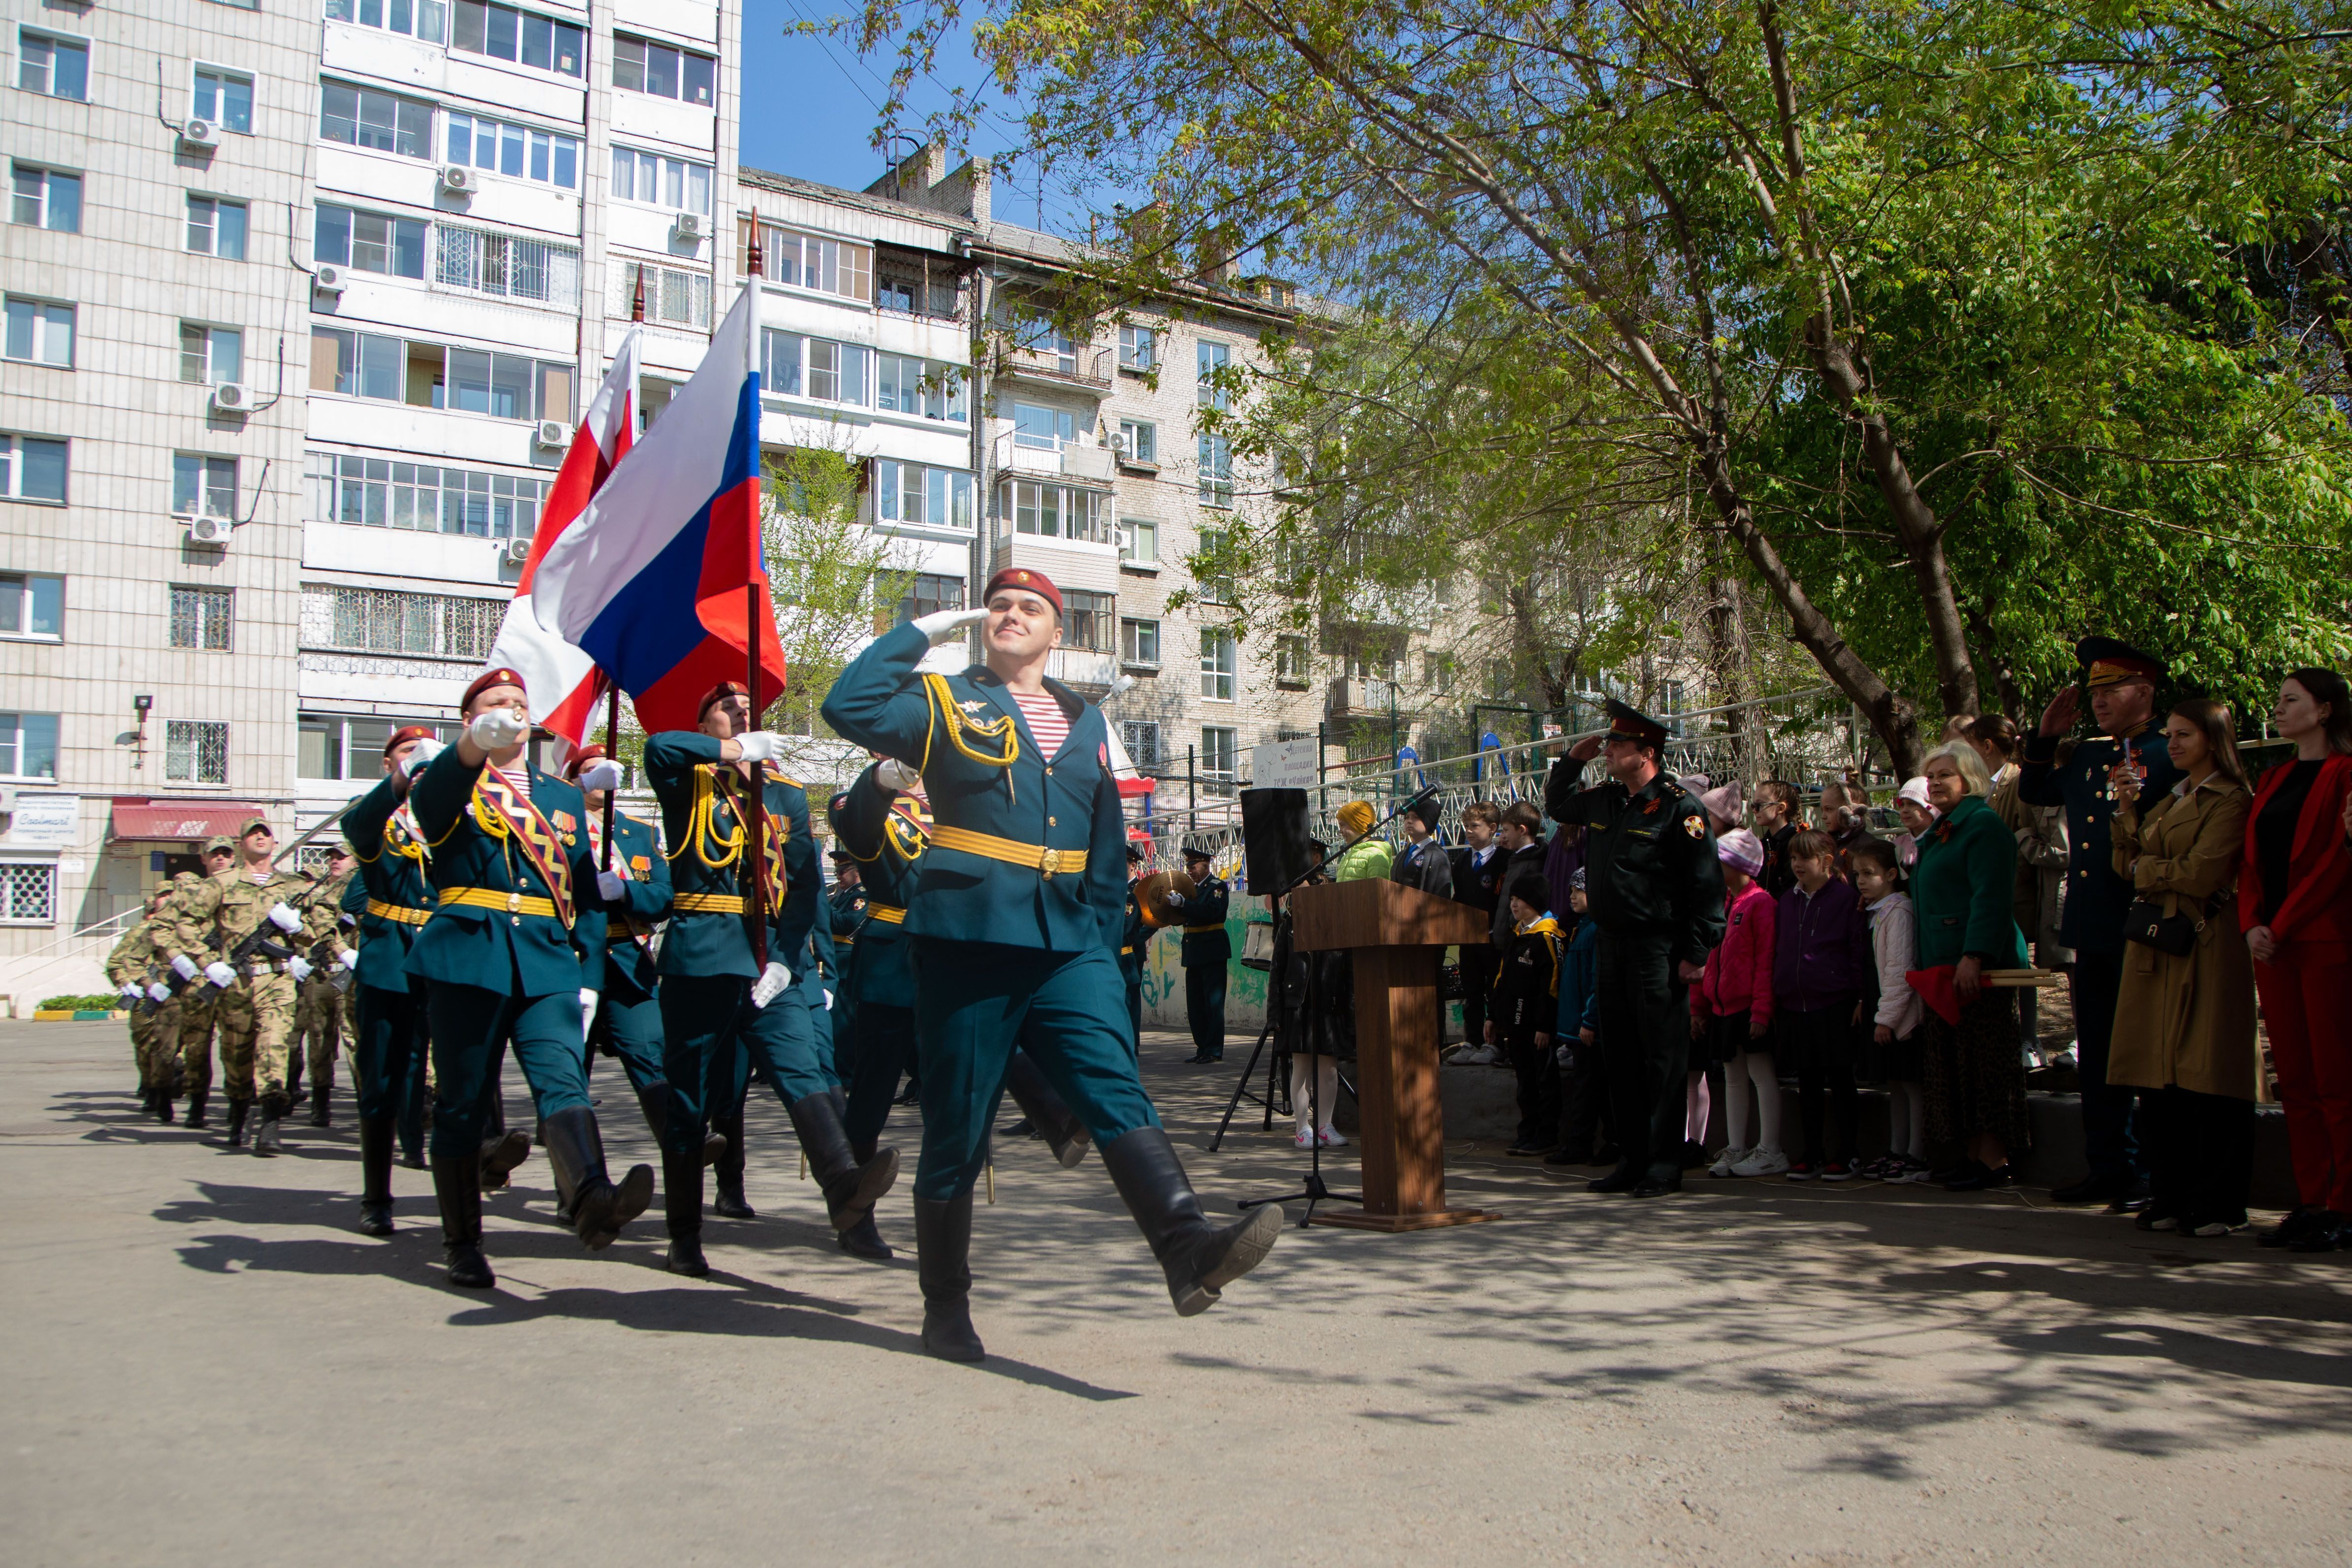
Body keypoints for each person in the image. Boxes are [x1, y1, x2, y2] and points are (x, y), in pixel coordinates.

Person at [822, 567, 1282, 1361]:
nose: (1009, 614)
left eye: (1029, 607)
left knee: (1112, 1084)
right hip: (969, 934)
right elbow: (848, 705)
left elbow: (1106, 837)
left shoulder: (1085, 718)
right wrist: (923, 633)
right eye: (998, 604)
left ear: (1055, 633)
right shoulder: (942, 700)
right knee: (958, 1127)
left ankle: (1187, 1248)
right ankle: (945, 1305)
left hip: (1070, 941)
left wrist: (1105, 938)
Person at [406, 669, 656, 1286]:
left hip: (546, 958)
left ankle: (591, 1198)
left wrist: (589, 972)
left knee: (563, 1081)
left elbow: (584, 896)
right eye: (495, 704)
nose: (511, 711)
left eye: (519, 704)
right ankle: (462, 1240)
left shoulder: (561, 797)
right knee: (464, 1103)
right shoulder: (453, 781)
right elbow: (429, 804)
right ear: (471, 719)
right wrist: (468, 750)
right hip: (468, 955)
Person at [644, 682, 892, 1279]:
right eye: (725, 707)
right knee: (689, 1097)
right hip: (703, 954)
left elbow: (805, 885)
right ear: (703, 722)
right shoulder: (688, 780)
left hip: (769, 961)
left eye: (746, 708)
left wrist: (785, 957)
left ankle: (844, 1191)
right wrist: (729, 754)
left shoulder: (781, 792)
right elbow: (658, 749)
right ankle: (684, 1234)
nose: (739, 712)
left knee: (802, 1071)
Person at [2021, 637, 2182, 1207]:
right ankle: (2107, 1164)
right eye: (2093, 693)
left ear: (2143, 691)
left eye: (2110, 690)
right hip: (2092, 927)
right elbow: (2036, 790)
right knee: (2099, 1053)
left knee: (2147, 1055)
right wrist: (2045, 735)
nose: (2098, 702)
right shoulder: (2089, 755)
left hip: (2144, 924)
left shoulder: (2168, 754)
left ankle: (2151, 1172)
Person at [1546, 701, 1727, 1198]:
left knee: (1661, 1059)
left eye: (1616, 744)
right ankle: (1631, 1159)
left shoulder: (1678, 809)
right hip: (1611, 944)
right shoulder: (1605, 800)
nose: (1607, 750)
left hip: (1657, 947)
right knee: (1619, 1055)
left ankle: (1664, 1164)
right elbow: (1558, 806)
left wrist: (1697, 949)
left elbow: (1705, 885)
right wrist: (1571, 761)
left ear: (1646, 752)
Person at [2107, 698, 2257, 1236]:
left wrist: (2150, 869)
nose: (2171, 745)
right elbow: (2126, 863)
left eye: (2183, 736)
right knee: (2158, 1074)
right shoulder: (2171, 798)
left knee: (2207, 1073)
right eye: (2169, 735)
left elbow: (2201, 873)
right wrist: (2125, 811)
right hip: (2157, 943)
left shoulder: (2230, 799)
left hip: (2205, 942)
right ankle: (2171, 1192)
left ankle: (2218, 1201)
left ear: (2213, 739)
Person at [2242, 671, 2352, 1251]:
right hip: (2272, 944)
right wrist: (2252, 923)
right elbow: (2252, 860)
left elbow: (2335, 862)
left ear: (2325, 710)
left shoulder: (2345, 773)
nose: (2278, 710)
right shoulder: (2273, 777)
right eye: (2279, 700)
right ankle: (2311, 1200)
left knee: (2336, 1079)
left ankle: (2344, 1204)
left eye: (2290, 701)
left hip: (2324, 940)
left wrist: (2277, 925)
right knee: (2297, 1081)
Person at [161, 816, 335, 1156]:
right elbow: (186, 923)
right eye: (252, 833)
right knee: (237, 1056)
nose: (260, 837)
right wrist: (206, 962)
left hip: (277, 979)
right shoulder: (221, 884)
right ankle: (239, 1113)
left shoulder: (293, 886)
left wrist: (298, 928)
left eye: (265, 833)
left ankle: (270, 1124)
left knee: (274, 1047)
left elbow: (324, 930)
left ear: (273, 842)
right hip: (236, 983)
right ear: (241, 844)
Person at [565, 743, 696, 1160]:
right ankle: (577, 1182)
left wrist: (626, 890)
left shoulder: (637, 831)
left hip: (627, 957)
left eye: (611, 769)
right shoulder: (558, 824)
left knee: (650, 1053)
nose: (605, 777)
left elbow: (664, 894)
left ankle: (681, 1147)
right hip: (571, 958)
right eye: (592, 770)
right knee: (568, 1069)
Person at [1914, 741, 2032, 1192]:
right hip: (1941, 968)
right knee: (1955, 1066)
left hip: (1978, 968)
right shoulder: (1944, 827)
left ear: (1971, 778)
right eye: (1932, 775)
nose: (1936, 782)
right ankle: (1970, 1155)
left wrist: (1974, 953)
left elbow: (1991, 897)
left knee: (1985, 1065)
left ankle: (1993, 1160)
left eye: (1946, 774)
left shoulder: (1983, 826)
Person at [340, 726, 440, 1237]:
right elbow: (358, 828)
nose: (420, 758)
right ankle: (376, 1195)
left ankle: (466, 1176)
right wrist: (404, 779)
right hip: (390, 951)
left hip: (446, 949)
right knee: (381, 1077)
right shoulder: (377, 810)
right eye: (406, 752)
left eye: (426, 751)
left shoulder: (448, 806)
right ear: (387, 765)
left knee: (462, 1071)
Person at [1772, 829, 1870, 1180]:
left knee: (1840, 1079)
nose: (1797, 864)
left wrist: (1860, 995)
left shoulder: (1846, 899)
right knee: (1808, 1082)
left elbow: (1856, 950)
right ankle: (1811, 1151)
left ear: (1826, 862)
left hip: (1834, 1002)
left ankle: (1846, 1153)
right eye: (1793, 857)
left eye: (1804, 858)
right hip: (1796, 1004)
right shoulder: (1787, 900)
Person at [1980, 713, 2073, 1066]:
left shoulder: (2017, 782)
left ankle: (2029, 1040)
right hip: (1993, 893)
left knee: (2022, 968)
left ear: (1986, 746)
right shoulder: (1983, 785)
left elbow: (2027, 832)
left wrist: (2014, 872)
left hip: (2017, 892)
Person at [1694, 829, 1783, 1178]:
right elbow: (1710, 957)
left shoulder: (1760, 904)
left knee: (1761, 1075)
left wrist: (1762, 1009)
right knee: (1733, 1077)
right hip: (1722, 1006)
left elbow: (1765, 960)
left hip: (1749, 1006)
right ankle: (1736, 1146)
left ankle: (1771, 1147)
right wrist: (1699, 1007)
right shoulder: (1724, 904)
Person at [1851, 837, 1927, 1182]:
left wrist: (1887, 1018)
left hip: (1903, 1018)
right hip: (1882, 1012)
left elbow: (1899, 970)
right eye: (1857, 874)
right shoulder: (1874, 914)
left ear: (1892, 874)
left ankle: (1917, 1154)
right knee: (1895, 1084)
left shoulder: (1899, 912)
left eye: (1869, 873)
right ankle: (1897, 1150)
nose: (1861, 881)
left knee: (1912, 1085)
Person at [1492, 873, 1564, 1158]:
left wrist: (1545, 1025)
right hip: (1515, 1024)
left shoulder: (1547, 937)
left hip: (1537, 1027)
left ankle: (1547, 1134)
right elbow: (1502, 978)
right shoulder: (1516, 935)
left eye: (1520, 899)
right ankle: (1528, 1131)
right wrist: (1494, 1017)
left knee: (1543, 1080)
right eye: (1511, 899)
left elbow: (1553, 985)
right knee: (1525, 1081)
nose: (1514, 905)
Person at [285, 850, 358, 1127]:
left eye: (342, 857)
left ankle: (366, 1101)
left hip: (350, 975)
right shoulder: (319, 894)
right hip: (321, 976)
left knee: (354, 1040)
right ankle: (320, 1102)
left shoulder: (358, 887)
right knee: (319, 1042)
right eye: (332, 857)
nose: (335, 861)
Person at [1548, 870, 1609, 1168]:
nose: (1571, 897)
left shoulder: (1597, 931)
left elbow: (1597, 982)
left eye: (1578, 891)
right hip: (1576, 1027)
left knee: (1589, 1090)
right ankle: (1586, 1142)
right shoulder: (1581, 928)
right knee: (1587, 1087)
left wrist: (1589, 1020)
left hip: (1587, 1027)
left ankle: (1584, 1144)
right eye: (1570, 891)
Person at [1164, 843, 1231, 1064]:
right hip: (1193, 951)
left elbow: (1211, 912)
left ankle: (1213, 1049)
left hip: (1212, 950)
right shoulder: (1189, 890)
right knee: (1195, 1005)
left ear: (1206, 864)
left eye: (1193, 865)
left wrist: (1185, 905)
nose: (1190, 869)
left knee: (1213, 1004)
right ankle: (1202, 1047)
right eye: (1188, 866)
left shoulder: (1217, 887)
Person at [1451, 802, 1506, 1050]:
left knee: (1496, 989)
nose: (1469, 831)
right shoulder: (1462, 862)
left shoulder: (1504, 860)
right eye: (1466, 826)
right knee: (1471, 991)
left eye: (1475, 826)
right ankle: (1472, 1041)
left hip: (1494, 938)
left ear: (1492, 828)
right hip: (1469, 938)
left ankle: (1497, 1042)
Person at [1391, 797, 1453, 897]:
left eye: (1416, 817)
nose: (1409, 821)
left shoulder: (1438, 856)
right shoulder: (1402, 855)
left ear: (1428, 821)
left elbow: (1441, 896)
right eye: (1407, 817)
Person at [1753, 781, 1803, 899]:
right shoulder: (1764, 843)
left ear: (1780, 808)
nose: (1755, 810)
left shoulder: (1795, 843)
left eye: (1760, 805)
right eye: (1753, 806)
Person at [1332, 800, 1392, 881]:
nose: (1340, 831)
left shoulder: (1376, 856)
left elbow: (1377, 890)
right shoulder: (1347, 857)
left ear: (1357, 824)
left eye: (1343, 825)